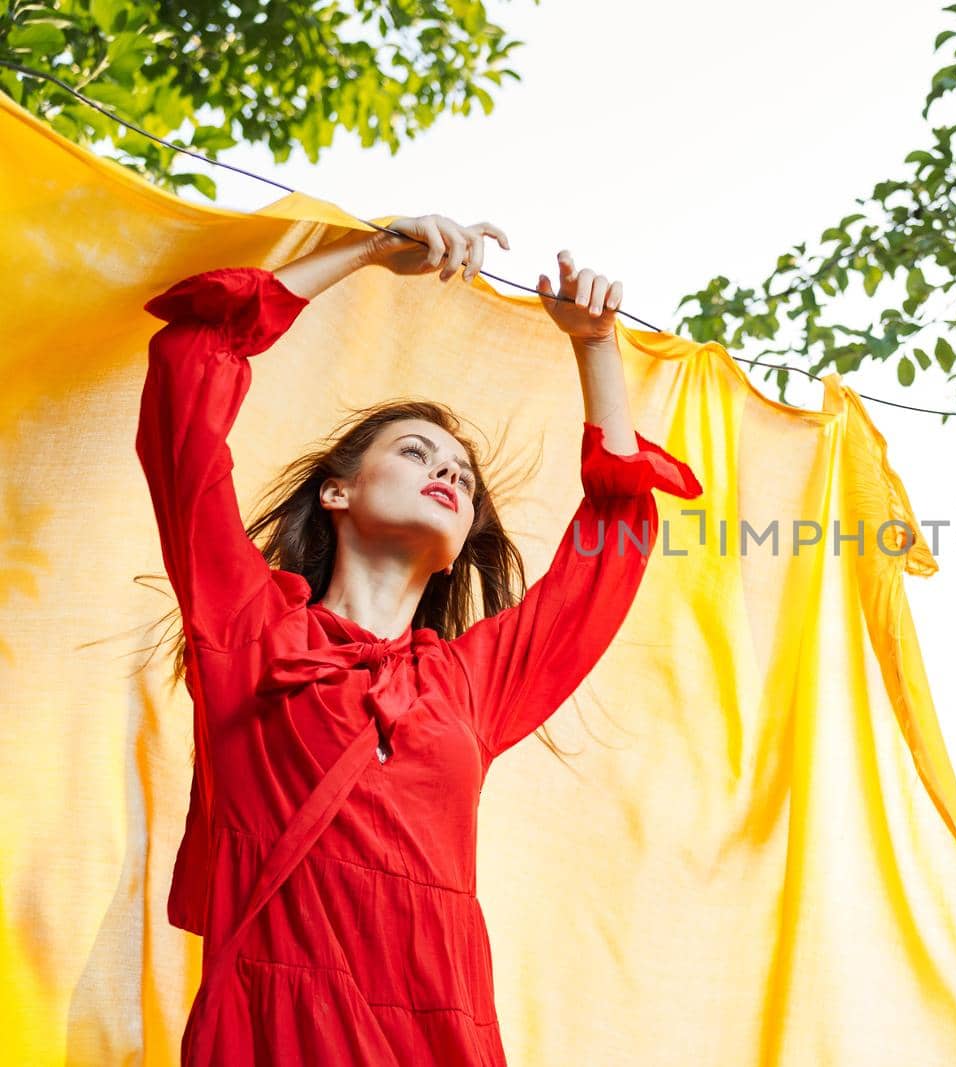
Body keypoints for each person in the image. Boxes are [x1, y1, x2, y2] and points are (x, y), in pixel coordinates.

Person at [135, 215, 703, 1065]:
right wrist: (365, 253)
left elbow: (611, 547)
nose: (449, 473)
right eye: (417, 452)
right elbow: (189, 376)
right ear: (336, 492)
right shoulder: (249, 627)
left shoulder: (472, 683)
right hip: (276, 1035)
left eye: (463, 477)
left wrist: (596, 347)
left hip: (442, 1035)